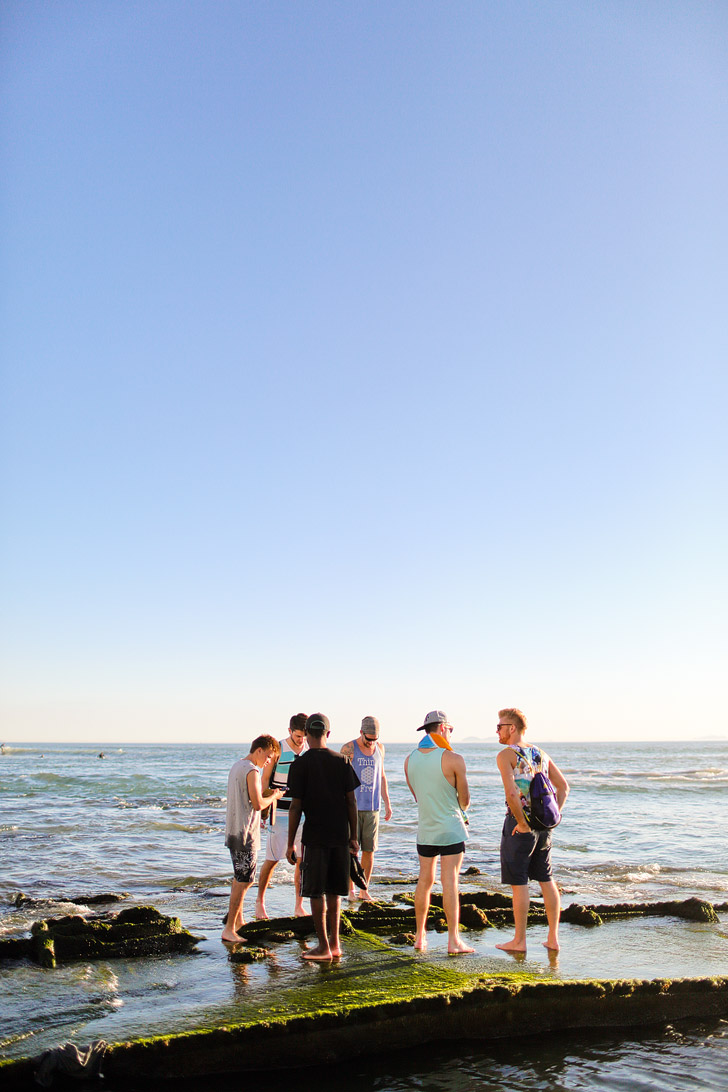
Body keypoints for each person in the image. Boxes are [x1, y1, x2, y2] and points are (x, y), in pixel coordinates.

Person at [495, 707, 570, 953]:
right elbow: (564, 788)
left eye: (500, 726)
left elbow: (511, 793)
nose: (497, 730)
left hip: (521, 827)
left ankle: (519, 941)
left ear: (512, 728)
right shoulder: (541, 753)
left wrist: (522, 823)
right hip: (544, 828)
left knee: (520, 884)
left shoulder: (506, 755)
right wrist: (552, 819)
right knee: (546, 879)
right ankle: (553, 938)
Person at [286, 713, 360, 961]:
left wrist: (290, 844)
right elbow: (352, 803)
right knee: (335, 892)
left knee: (316, 892)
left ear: (306, 734)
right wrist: (355, 837)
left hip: (315, 836)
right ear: (328, 734)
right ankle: (336, 944)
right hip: (340, 834)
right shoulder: (343, 762)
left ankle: (323, 947)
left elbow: (295, 807)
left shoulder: (300, 764)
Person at [404, 710, 474, 955]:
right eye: (451, 729)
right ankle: (454, 941)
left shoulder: (409, 759)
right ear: (443, 728)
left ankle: (420, 936)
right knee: (450, 882)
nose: (451, 734)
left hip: (426, 831)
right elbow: (464, 801)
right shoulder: (454, 758)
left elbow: (417, 796)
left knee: (425, 881)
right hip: (451, 831)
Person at [222, 735, 283, 943]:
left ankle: (237, 921)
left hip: (233, 831)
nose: (268, 762)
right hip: (245, 833)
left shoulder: (237, 766)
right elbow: (257, 804)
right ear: (259, 750)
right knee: (245, 879)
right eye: (268, 757)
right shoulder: (252, 770)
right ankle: (230, 928)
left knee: (240, 877)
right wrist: (274, 796)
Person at [255, 713, 308, 919]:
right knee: (272, 859)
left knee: (302, 860)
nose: (300, 740)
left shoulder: (308, 750)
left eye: (303, 736)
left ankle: (298, 905)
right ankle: (260, 902)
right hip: (279, 812)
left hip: (302, 814)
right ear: (289, 732)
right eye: (297, 736)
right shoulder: (278, 750)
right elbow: (265, 779)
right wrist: (263, 812)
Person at [341, 716, 392, 901]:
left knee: (369, 850)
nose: (371, 742)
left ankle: (364, 889)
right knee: (350, 850)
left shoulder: (380, 748)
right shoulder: (349, 748)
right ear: (361, 733)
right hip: (351, 808)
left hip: (372, 808)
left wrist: (387, 802)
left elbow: (382, 776)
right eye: (368, 739)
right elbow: (340, 779)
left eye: (374, 739)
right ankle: (350, 890)